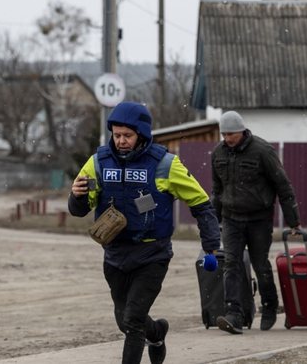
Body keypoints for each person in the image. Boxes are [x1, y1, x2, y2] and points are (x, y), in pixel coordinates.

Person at [68, 102, 220, 364]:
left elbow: (200, 203)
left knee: (133, 320)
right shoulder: (98, 163)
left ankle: (147, 337)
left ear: (142, 134)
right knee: (124, 320)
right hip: (114, 254)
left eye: (127, 135)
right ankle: (157, 333)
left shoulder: (165, 164)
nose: (121, 141)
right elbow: (80, 209)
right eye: (116, 135)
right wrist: (77, 196)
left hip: (152, 254)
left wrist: (210, 244)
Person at [212, 110, 300, 334]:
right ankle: (234, 313)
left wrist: (293, 221)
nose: (228, 139)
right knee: (231, 263)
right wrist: (212, 222)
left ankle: (269, 306)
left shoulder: (262, 151)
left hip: (259, 219)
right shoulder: (218, 154)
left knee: (260, 265)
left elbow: (283, 185)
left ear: (242, 131)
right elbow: (217, 190)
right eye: (224, 134)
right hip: (231, 218)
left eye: (231, 134)